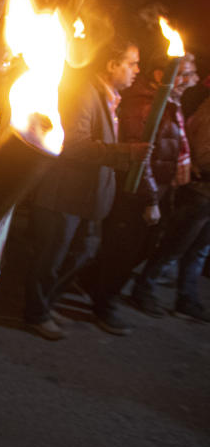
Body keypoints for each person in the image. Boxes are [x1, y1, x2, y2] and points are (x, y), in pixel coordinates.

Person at [24, 37, 152, 339]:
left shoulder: (110, 99)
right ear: (112, 65)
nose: (137, 70)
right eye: (132, 63)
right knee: (50, 257)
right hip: (64, 194)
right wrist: (126, 153)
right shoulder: (85, 94)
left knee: (81, 252)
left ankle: (46, 303)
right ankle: (35, 313)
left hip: (87, 198)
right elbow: (74, 146)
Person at [87, 52, 197, 330]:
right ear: (162, 75)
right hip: (138, 192)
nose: (189, 80)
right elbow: (142, 155)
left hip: (156, 189)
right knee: (123, 250)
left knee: (138, 247)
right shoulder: (148, 106)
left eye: (191, 73)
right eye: (182, 73)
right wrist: (150, 199)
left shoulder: (169, 102)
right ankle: (104, 304)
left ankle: (95, 288)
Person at [130, 56, 209, 321]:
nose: (194, 81)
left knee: (197, 248)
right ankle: (140, 289)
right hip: (199, 189)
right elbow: (196, 145)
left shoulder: (174, 104)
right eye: (187, 74)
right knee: (173, 245)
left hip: (188, 185)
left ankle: (186, 298)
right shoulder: (155, 104)